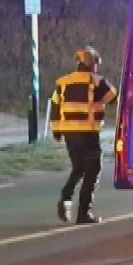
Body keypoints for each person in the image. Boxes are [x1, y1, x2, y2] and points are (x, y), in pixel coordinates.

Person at [50, 45, 117, 224]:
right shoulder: (96, 81)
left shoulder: (63, 82)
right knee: (93, 169)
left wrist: (57, 130)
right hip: (88, 133)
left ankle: (65, 198)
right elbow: (114, 96)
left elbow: (55, 107)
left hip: (69, 133)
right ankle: (83, 213)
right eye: (96, 63)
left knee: (79, 167)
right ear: (92, 64)